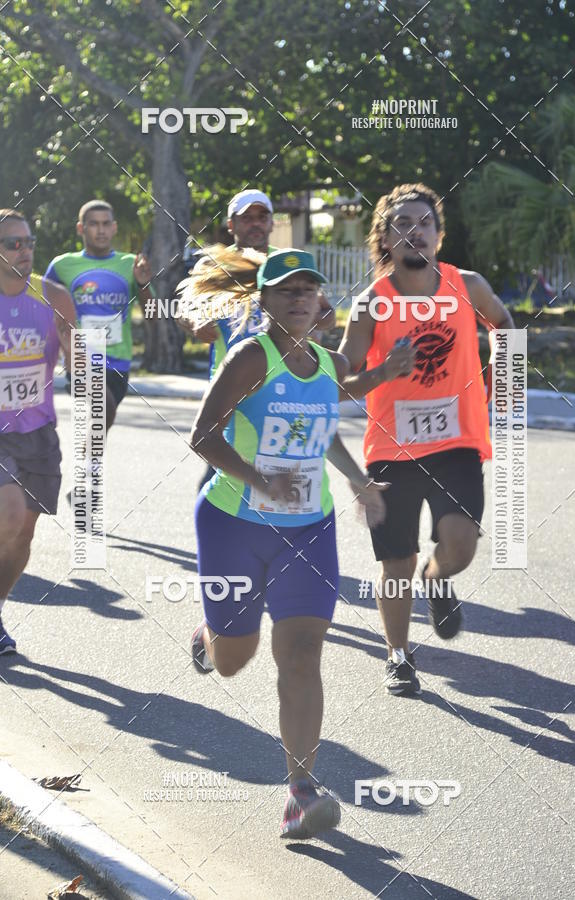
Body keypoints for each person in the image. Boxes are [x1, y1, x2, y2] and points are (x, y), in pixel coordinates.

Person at [185, 247, 386, 838]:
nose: (299, 298)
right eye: (286, 290)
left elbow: (321, 433)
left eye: (307, 289)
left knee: (301, 655)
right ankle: (209, 637)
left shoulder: (328, 364)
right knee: (234, 660)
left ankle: (300, 792)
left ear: (321, 300)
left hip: (309, 529)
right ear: (265, 300)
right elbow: (203, 435)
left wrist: (357, 479)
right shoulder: (252, 357)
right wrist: (257, 479)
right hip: (234, 525)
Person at [340, 183, 514, 696]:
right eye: (402, 224)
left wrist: (501, 378)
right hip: (392, 450)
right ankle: (398, 655)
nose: (414, 231)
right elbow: (343, 381)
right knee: (397, 562)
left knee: (460, 543)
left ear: (438, 236)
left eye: (424, 223)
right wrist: (382, 372)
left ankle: (437, 580)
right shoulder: (372, 304)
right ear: (384, 238)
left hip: (457, 442)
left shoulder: (468, 285)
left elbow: (503, 322)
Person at [180, 189, 335, 490]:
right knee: (221, 463)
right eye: (246, 218)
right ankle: (216, 509)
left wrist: (308, 318)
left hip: (280, 379)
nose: (255, 223)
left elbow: (327, 313)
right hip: (232, 381)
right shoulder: (215, 265)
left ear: (272, 222)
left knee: (276, 458)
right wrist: (194, 323)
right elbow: (184, 311)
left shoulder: (287, 264)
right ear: (231, 225)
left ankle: (277, 503)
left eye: (262, 217)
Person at [0, 209, 75, 654]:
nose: (24, 250)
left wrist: (73, 348)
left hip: (39, 431)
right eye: (13, 243)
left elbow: (84, 371)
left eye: (28, 242)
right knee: (8, 515)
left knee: (23, 535)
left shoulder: (54, 297)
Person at [44, 200, 153, 452]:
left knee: (103, 418)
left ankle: (87, 463)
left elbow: (153, 315)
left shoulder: (131, 264)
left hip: (118, 361)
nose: (101, 230)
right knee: (105, 409)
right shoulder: (62, 265)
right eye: (94, 224)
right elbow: (42, 306)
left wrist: (143, 284)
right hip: (81, 358)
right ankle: (88, 465)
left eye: (106, 224)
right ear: (81, 228)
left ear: (114, 227)